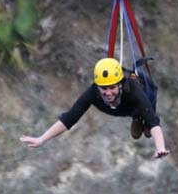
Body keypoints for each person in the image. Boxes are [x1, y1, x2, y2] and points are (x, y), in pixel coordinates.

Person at [20, 58, 170, 159]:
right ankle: (136, 118)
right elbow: (69, 119)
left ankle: (138, 116)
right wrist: (41, 139)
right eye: (103, 88)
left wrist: (160, 148)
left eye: (112, 88)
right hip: (125, 109)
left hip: (140, 103)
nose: (108, 93)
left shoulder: (133, 90)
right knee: (136, 134)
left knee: (147, 132)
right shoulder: (93, 93)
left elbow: (154, 122)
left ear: (119, 84)